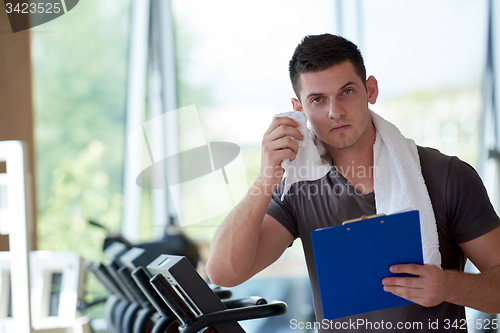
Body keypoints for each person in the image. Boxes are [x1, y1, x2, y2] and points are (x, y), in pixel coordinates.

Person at [205, 34, 500, 332]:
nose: (335, 112)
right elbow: (223, 273)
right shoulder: (298, 188)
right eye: (317, 99)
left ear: (370, 89)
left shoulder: (447, 176)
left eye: (346, 91)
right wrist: (267, 176)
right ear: (298, 108)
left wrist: (448, 286)